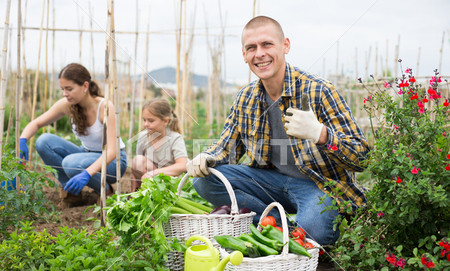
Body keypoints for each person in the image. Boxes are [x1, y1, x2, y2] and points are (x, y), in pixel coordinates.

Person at [186, 16, 370, 245]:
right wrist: (206, 157)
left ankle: (288, 231)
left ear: (285, 46)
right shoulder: (245, 98)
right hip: (271, 182)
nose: (259, 54)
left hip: (319, 186)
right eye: (251, 48)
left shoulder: (318, 91)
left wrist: (321, 135)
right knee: (204, 181)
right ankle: (274, 223)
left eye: (267, 44)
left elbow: (362, 156)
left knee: (316, 231)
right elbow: (226, 148)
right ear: (244, 55)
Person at [19, 63, 127, 204]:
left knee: (71, 163)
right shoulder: (66, 105)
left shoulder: (105, 107)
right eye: (63, 89)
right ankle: (71, 191)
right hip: (86, 154)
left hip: (113, 162)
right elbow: (37, 123)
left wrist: (87, 173)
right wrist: (23, 140)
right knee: (43, 141)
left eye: (69, 89)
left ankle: (105, 190)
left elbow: (112, 151)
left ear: (85, 86)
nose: (65, 94)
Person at [131, 98, 188, 191]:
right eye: (144, 120)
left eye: (151, 121)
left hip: (171, 181)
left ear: (165, 121)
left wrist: (155, 173)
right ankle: (144, 193)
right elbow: (135, 171)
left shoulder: (175, 138)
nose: (146, 124)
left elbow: (182, 165)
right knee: (138, 161)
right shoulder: (143, 137)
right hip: (150, 179)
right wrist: (133, 193)